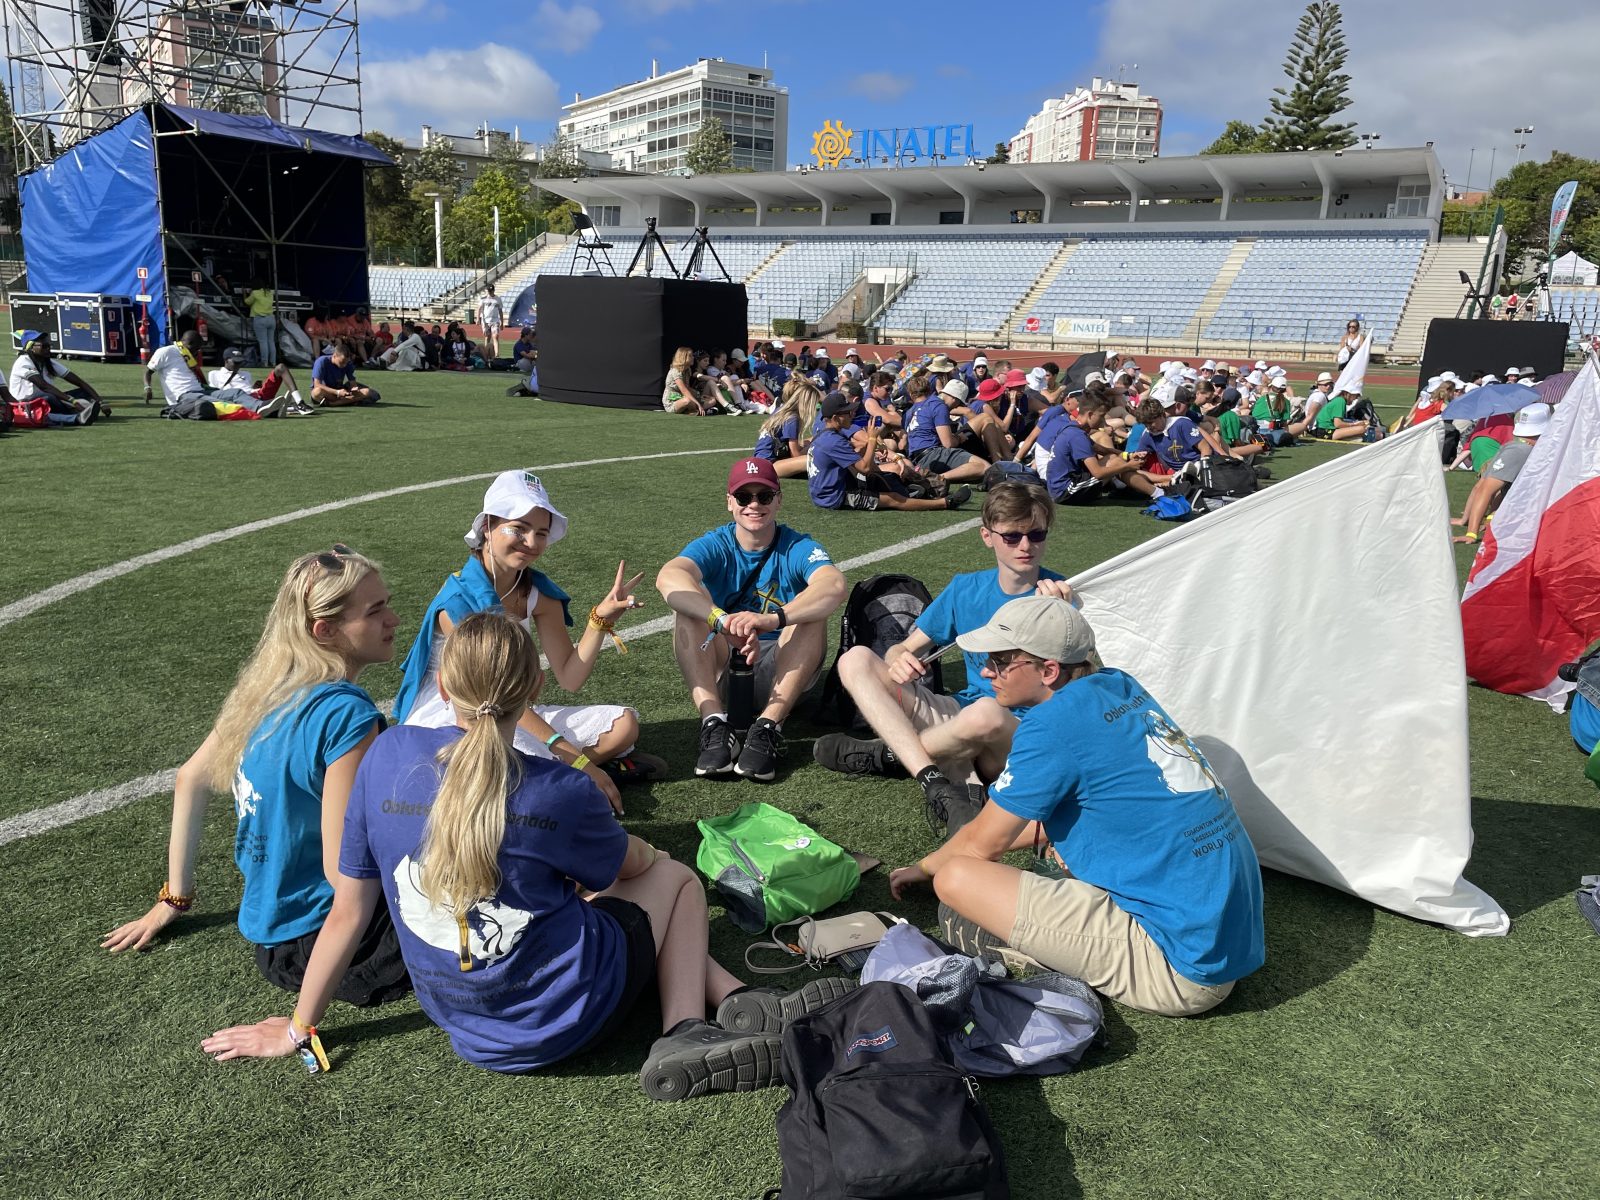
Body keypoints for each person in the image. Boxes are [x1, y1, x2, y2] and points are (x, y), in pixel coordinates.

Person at [201, 612, 793, 1100]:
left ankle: (736, 997)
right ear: (535, 691)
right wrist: (647, 848)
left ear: (445, 687)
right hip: (566, 1017)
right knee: (677, 879)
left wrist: (300, 1029)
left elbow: (350, 912)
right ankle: (683, 1031)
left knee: (570, 892)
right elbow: (631, 870)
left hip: (464, 1026)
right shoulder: (561, 789)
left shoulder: (388, 754)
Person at [887, 596, 1265, 1017]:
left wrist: (923, 868)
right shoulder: (1119, 686)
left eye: (1000, 661)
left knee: (956, 879)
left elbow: (981, 847)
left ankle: (1033, 956)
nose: (986, 672)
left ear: (1049, 670)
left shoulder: (1052, 726)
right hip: (1222, 935)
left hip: (1180, 970)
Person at [103, 546, 411, 1008]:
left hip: (273, 938)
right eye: (376, 610)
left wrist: (174, 899)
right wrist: (301, 1027)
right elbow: (344, 876)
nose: (395, 620)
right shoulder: (347, 716)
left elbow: (190, 778)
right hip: (326, 945)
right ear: (325, 630)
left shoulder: (268, 687)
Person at [392, 470, 658, 809]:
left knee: (623, 726)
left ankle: (550, 778)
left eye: (541, 533)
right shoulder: (459, 602)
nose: (531, 542)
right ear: (487, 526)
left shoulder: (536, 592)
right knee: (520, 760)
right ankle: (563, 778)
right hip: (457, 713)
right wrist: (579, 760)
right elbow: (490, 695)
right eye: (518, 528)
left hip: (511, 707)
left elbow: (570, 676)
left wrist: (599, 621)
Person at [813, 482, 1071, 831]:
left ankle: (889, 755)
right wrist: (898, 657)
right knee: (855, 659)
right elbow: (903, 647)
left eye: (1036, 535)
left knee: (986, 713)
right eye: (1012, 536)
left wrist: (1064, 619)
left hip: (1021, 737)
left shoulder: (1063, 595)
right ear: (987, 536)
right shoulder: (966, 589)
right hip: (960, 719)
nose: (1026, 546)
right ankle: (935, 783)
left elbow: (1082, 688)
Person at [656, 457, 847, 780]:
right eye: (744, 497)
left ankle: (768, 726)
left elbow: (834, 585)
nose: (754, 505)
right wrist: (720, 620)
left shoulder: (797, 545)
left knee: (812, 611)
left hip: (784, 666)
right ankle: (714, 722)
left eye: (764, 496)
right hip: (725, 662)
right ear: (730, 503)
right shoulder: (717, 543)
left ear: (779, 500)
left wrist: (771, 620)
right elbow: (669, 576)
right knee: (688, 608)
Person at [808, 391, 970, 512]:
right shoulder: (833, 440)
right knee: (894, 499)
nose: (852, 414)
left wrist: (866, 448)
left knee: (886, 477)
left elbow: (849, 454)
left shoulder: (825, 435)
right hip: (833, 498)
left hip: (829, 489)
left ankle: (915, 491)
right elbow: (865, 468)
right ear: (836, 418)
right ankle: (945, 503)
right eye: (847, 412)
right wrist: (872, 439)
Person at [1453, 402, 1549, 544]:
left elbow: (1483, 488)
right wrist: (1472, 533)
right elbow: (1485, 489)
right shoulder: (1519, 450)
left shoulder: (1517, 446)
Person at [144, 330, 289, 419]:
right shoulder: (166, 352)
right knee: (219, 404)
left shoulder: (187, 355)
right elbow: (148, 372)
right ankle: (264, 411)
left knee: (235, 393)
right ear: (189, 343)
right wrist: (147, 388)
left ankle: (261, 407)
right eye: (197, 348)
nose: (198, 352)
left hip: (201, 389)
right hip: (183, 396)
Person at [904, 376, 991, 486]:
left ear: (911, 394)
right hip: (932, 453)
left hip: (917, 460)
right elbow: (948, 443)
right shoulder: (937, 404)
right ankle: (935, 479)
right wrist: (959, 438)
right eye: (959, 403)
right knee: (984, 467)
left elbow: (904, 443)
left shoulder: (908, 412)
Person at [9, 329, 106, 424]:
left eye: (48, 346)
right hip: (26, 405)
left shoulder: (48, 362)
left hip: (46, 400)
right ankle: (78, 415)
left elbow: (79, 382)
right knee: (49, 398)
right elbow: (44, 386)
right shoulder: (23, 363)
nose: (48, 349)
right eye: (44, 346)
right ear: (31, 348)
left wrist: (101, 402)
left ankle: (84, 410)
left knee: (84, 392)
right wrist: (73, 401)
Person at [752, 377, 821, 478]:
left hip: (760, 462)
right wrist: (811, 448)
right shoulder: (792, 418)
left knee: (812, 440)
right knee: (814, 457)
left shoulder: (781, 410)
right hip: (768, 465)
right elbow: (795, 455)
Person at [310, 341, 381, 407]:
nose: (344, 365)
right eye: (342, 362)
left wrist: (354, 390)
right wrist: (337, 392)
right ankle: (347, 401)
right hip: (327, 393)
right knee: (317, 392)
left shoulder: (348, 364)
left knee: (367, 392)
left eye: (346, 362)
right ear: (334, 356)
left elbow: (352, 383)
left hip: (341, 392)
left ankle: (333, 403)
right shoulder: (322, 361)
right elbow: (317, 384)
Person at [243, 279, 276, 368]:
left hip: (260, 319)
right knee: (271, 341)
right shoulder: (270, 293)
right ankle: (273, 362)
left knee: (263, 342)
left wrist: (245, 293)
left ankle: (264, 362)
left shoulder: (255, 293)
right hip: (271, 318)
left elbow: (247, 302)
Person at [478, 286, 505, 359]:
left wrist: (502, 322)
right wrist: (478, 319)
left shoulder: (498, 299)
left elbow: (500, 311)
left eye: (490, 291)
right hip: (486, 321)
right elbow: (480, 309)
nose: (489, 293)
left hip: (495, 320)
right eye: (488, 291)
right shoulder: (483, 299)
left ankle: (496, 354)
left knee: (495, 336)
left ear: (493, 291)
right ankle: (486, 353)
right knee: (487, 337)